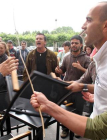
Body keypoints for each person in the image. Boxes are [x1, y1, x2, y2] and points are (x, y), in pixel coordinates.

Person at [31, 2, 107, 140]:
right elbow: (95, 82)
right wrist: (83, 86)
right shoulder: (96, 58)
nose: (83, 26)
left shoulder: (89, 59)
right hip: (73, 90)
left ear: (105, 25)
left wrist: (48, 106)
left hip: (84, 105)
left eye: (89, 20)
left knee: (77, 112)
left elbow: (101, 128)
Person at [55, 35, 91, 138]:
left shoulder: (86, 59)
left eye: (76, 43)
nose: (73, 45)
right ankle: (65, 129)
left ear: (81, 44)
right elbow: (62, 70)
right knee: (65, 110)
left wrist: (81, 68)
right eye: (72, 43)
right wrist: (59, 71)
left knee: (78, 111)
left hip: (80, 89)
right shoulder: (67, 56)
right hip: (67, 88)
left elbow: (91, 74)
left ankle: (77, 129)